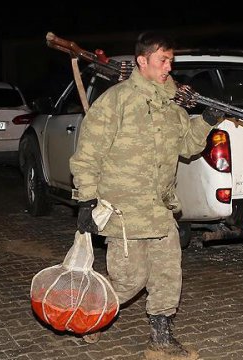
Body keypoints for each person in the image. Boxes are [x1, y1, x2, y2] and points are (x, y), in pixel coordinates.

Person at [69, 32, 215, 359]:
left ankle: (161, 339)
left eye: (171, 61)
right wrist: (87, 199)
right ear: (142, 61)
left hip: (161, 209)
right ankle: (90, 314)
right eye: (162, 60)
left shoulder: (171, 105)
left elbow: (187, 147)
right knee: (129, 279)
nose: (168, 67)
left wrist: (206, 122)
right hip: (124, 212)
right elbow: (87, 155)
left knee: (167, 273)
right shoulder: (116, 100)